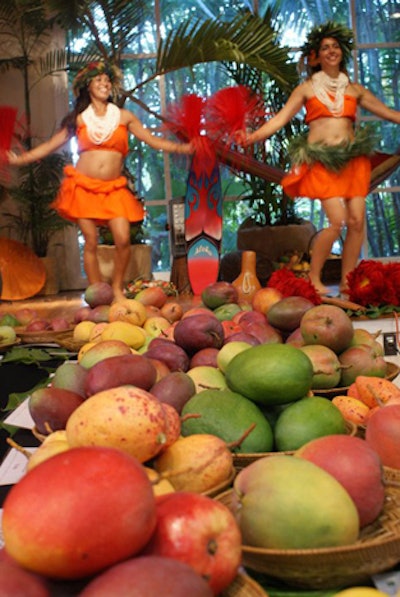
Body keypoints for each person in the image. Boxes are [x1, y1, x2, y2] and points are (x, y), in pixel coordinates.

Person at [236, 21, 400, 295]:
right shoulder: (307, 89)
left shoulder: (354, 89)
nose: (331, 51)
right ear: (317, 55)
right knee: (337, 221)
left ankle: (348, 280)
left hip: (352, 161)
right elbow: (280, 119)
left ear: (342, 52)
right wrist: (252, 137)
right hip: (322, 163)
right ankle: (314, 276)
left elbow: (388, 113)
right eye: (325, 47)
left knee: (357, 220)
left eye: (335, 46)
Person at [7, 61, 193, 301]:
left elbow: (153, 140)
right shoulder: (79, 119)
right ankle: (97, 292)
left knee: (124, 239)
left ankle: (116, 288)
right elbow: (50, 146)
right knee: (92, 240)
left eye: (107, 81)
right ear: (88, 87)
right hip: (83, 187)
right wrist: (21, 159)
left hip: (113, 189)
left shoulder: (124, 117)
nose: (105, 84)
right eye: (99, 81)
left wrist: (183, 148)